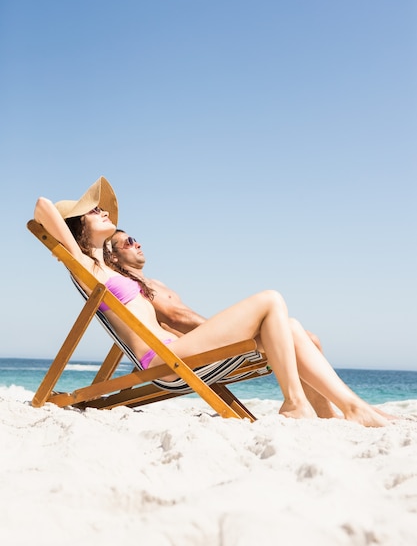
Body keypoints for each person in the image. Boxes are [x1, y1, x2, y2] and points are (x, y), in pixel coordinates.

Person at [34, 176, 389, 427]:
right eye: (93, 211)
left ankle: (349, 407)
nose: (104, 212)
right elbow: (42, 207)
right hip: (163, 362)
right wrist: (67, 236)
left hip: (178, 352)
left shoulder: (116, 273)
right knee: (270, 299)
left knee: (292, 327)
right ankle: (295, 403)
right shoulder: (86, 267)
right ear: (78, 226)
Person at [108, 228, 338, 419]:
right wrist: (231, 335)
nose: (137, 244)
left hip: (201, 346)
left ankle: (325, 412)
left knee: (310, 339)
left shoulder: (154, 283)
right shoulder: (132, 291)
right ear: (114, 257)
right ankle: (299, 403)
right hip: (192, 354)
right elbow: (175, 318)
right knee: (281, 316)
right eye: (128, 242)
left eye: (135, 239)